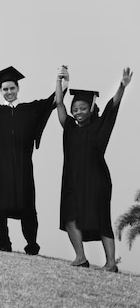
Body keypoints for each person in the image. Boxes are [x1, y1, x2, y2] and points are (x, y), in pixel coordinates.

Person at [0, 64, 66, 255]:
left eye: (12, 88)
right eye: (5, 89)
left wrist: (62, 81)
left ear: (18, 88)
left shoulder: (29, 110)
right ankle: (3, 245)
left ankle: (31, 245)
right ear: (0, 90)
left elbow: (55, 100)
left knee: (27, 205)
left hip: (21, 165)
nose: (9, 92)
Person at [55, 66, 133, 272]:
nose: (78, 112)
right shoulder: (69, 127)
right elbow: (59, 104)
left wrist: (122, 87)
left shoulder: (99, 125)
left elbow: (111, 107)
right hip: (72, 180)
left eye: (82, 108)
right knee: (70, 216)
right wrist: (60, 82)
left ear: (90, 109)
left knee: (101, 218)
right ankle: (80, 257)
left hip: (96, 180)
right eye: (75, 109)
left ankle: (110, 263)